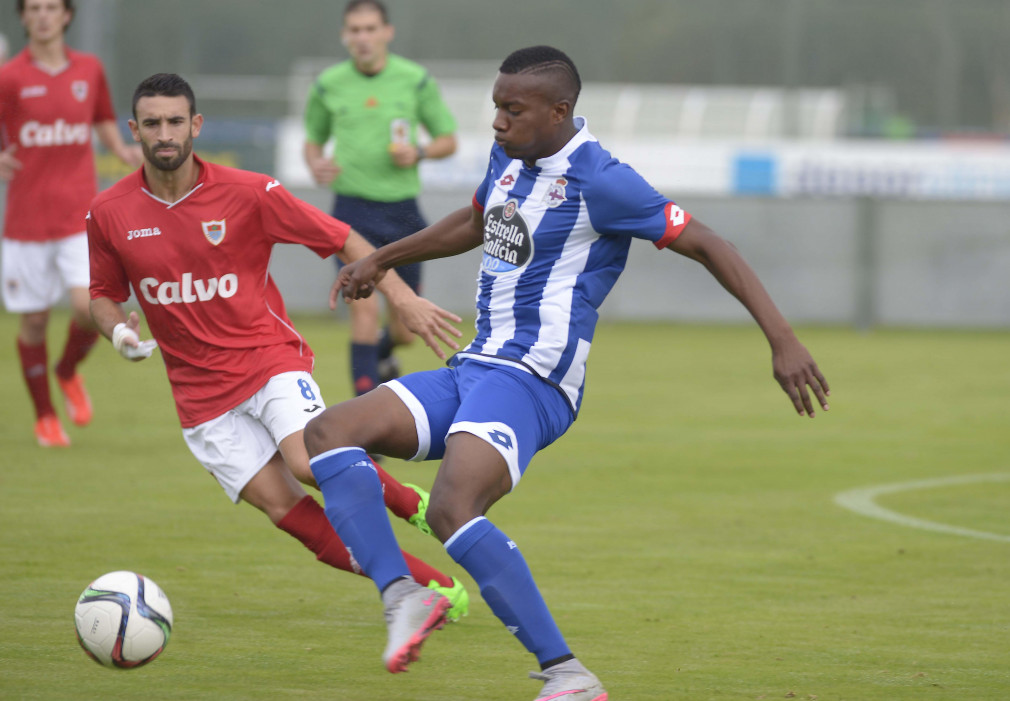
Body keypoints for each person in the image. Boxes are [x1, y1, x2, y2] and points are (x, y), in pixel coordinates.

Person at [303, 46, 832, 700]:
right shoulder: (510, 155)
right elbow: (475, 220)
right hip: (474, 365)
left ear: (559, 111)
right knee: (328, 433)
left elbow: (708, 243)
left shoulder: (603, 181)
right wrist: (381, 259)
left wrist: (781, 339)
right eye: (496, 106)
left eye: (512, 109)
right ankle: (403, 593)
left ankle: (566, 673)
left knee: (451, 506)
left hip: (534, 379)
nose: (497, 121)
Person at [86, 73, 469, 621]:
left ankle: (413, 504)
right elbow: (103, 293)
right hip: (199, 399)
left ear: (195, 125)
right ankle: (430, 587)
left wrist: (402, 298)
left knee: (311, 463)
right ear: (134, 130)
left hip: (268, 360)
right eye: (152, 124)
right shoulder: (109, 212)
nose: (164, 134)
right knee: (286, 510)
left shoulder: (249, 192)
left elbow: (341, 237)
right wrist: (119, 332)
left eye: (175, 121)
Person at [0, 0, 143, 447]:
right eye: (34, 8)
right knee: (35, 323)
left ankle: (67, 371)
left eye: (51, 7)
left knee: (88, 308)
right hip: (24, 222)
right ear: (23, 17)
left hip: (79, 216)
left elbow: (101, 116)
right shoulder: (9, 77)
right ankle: (45, 416)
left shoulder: (89, 69)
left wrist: (120, 149)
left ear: (66, 15)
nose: (43, 15)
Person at [303, 0, 458, 398]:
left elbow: (448, 139)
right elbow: (312, 142)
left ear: (387, 32)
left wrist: (420, 152)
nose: (363, 38)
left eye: (370, 29)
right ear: (345, 36)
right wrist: (316, 164)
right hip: (352, 212)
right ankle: (365, 424)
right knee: (364, 311)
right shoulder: (328, 84)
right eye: (355, 30)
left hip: (403, 213)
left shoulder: (415, 80)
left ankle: (385, 355)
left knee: (406, 330)